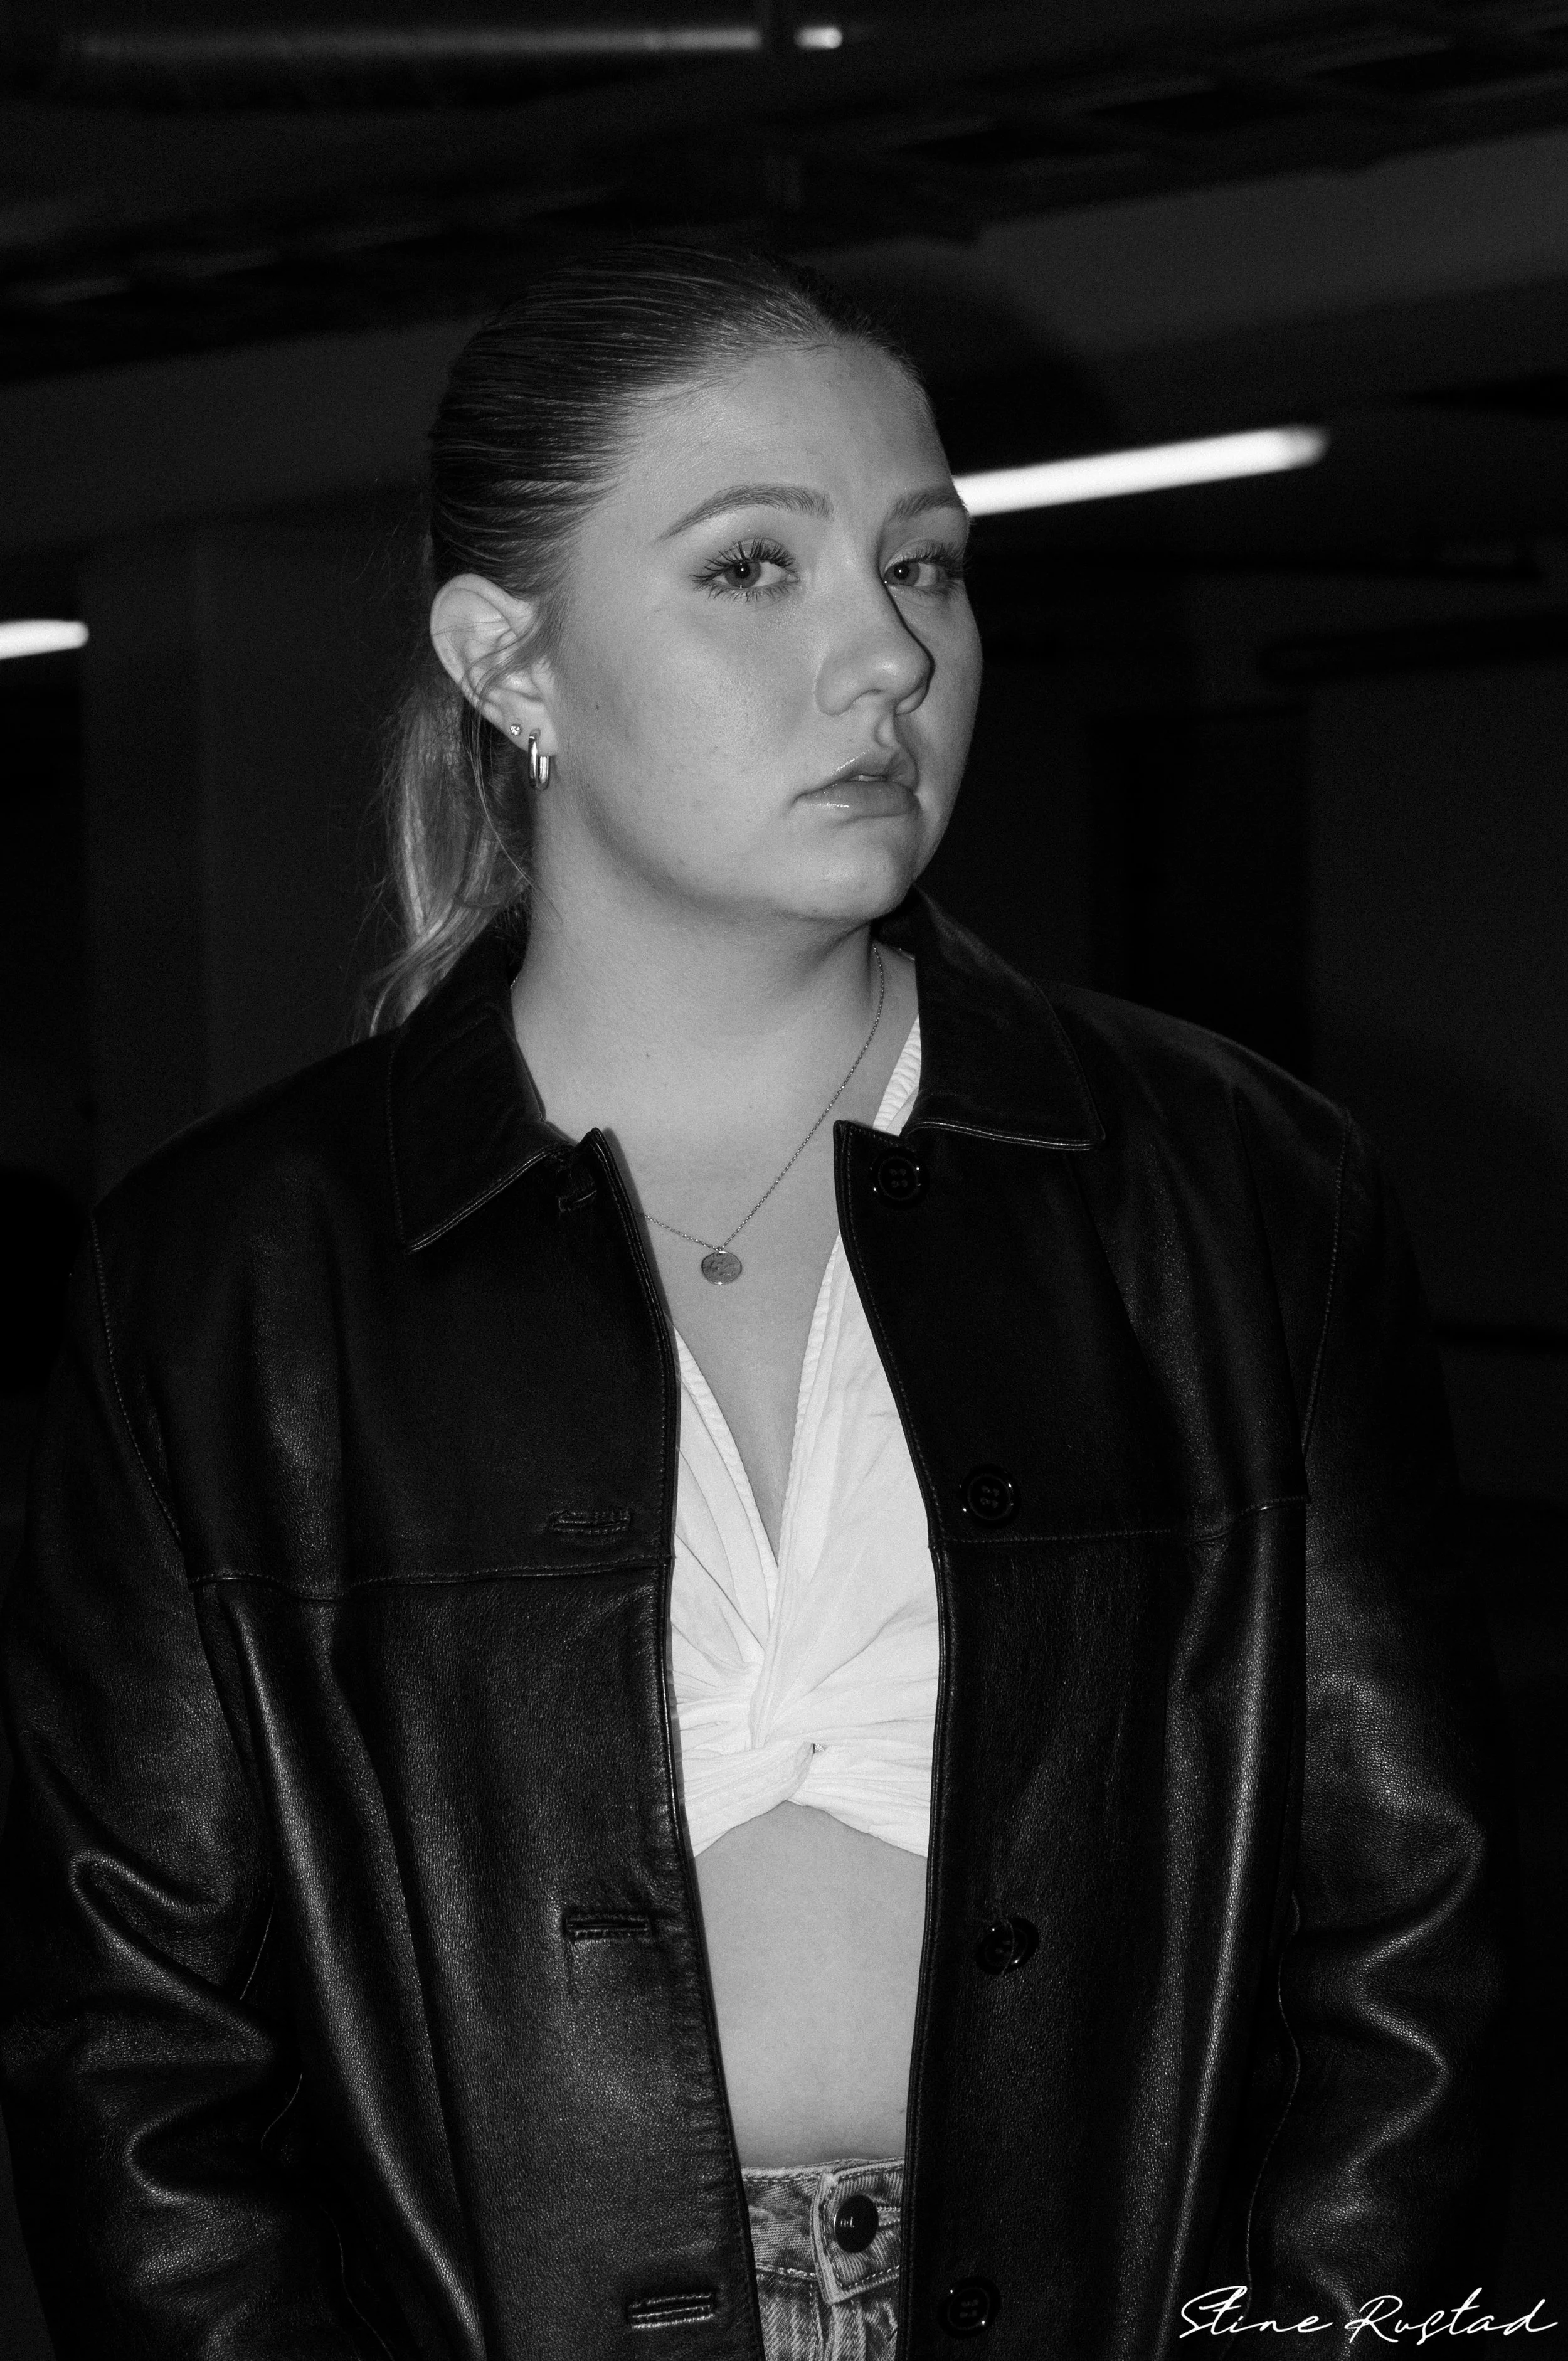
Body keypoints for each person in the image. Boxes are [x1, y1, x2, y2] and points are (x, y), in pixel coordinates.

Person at [0, 244, 1512, 2361]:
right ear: (505, 661)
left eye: (925, 567)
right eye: (750, 571)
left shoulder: (1226, 1196)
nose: (884, 657)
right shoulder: (233, 1283)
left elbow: (1409, 1938)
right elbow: (135, 2052)